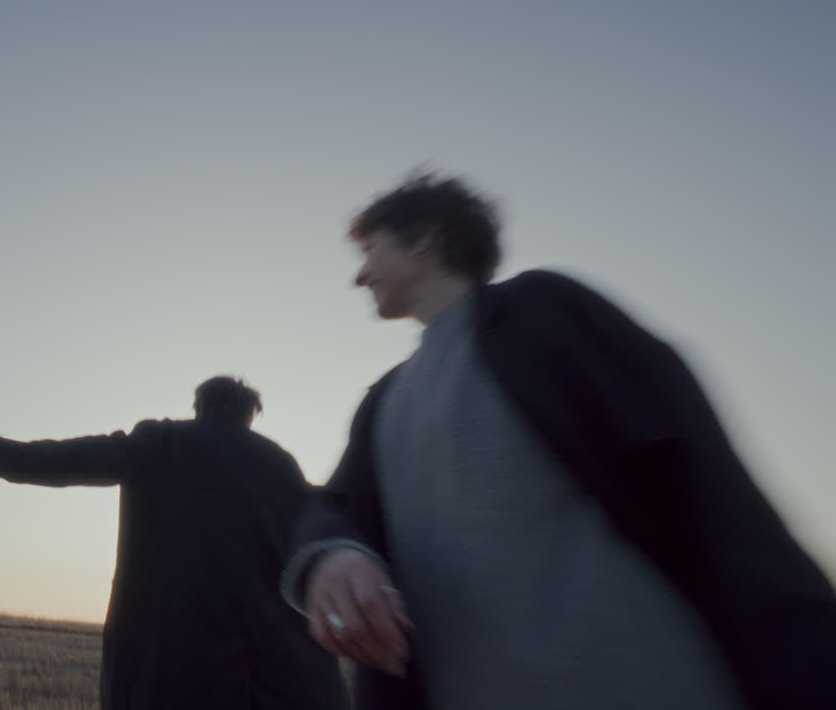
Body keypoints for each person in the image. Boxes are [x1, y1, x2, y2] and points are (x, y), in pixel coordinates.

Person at [281, 171, 836, 710]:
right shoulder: (383, 400)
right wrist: (331, 557)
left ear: (425, 239)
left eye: (370, 251)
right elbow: (334, 511)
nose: (359, 277)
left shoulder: (545, 310)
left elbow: (702, 483)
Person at [0, 376, 349, 710]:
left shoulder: (162, 440)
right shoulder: (280, 463)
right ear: (248, 416)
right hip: (270, 671)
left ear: (200, 405)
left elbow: (76, 458)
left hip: (172, 663)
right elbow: (319, 525)